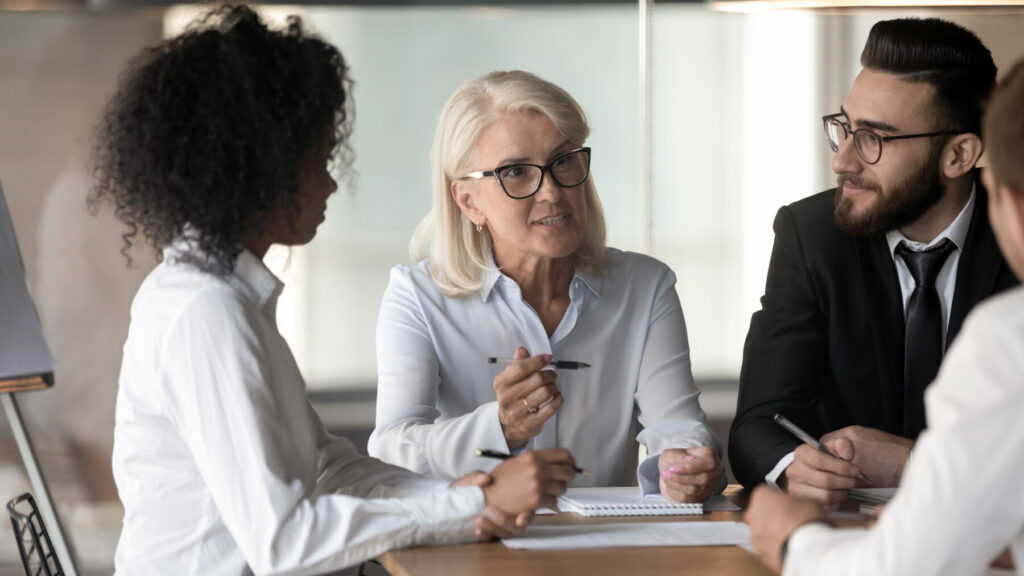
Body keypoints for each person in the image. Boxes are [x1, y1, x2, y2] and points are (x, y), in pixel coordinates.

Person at [93, 7, 578, 574]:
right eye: (318, 161)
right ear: (258, 169)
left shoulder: (230, 298)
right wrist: (475, 503)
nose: (330, 183)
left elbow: (328, 466)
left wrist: (468, 493)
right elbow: (283, 543)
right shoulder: (207, 312)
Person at [367, 70, 723, 503]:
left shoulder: (646, 287)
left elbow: (678, 427)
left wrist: (684, 466)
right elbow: (392, 451)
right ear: (468, 201)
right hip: (474, 543)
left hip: (602, 552)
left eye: (563, 161)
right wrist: (498, 427)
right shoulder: (418, 297)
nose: (552, 192)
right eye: (516, 171)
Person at [745, 55, 1024, 576]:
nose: (843, 161)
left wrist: (795, 540)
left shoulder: (1008, 331)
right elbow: (758, 422)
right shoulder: (809, 234)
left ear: (961, 154)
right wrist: (794, 467)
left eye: (874, 138)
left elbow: (904, 567)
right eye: (845, 130)